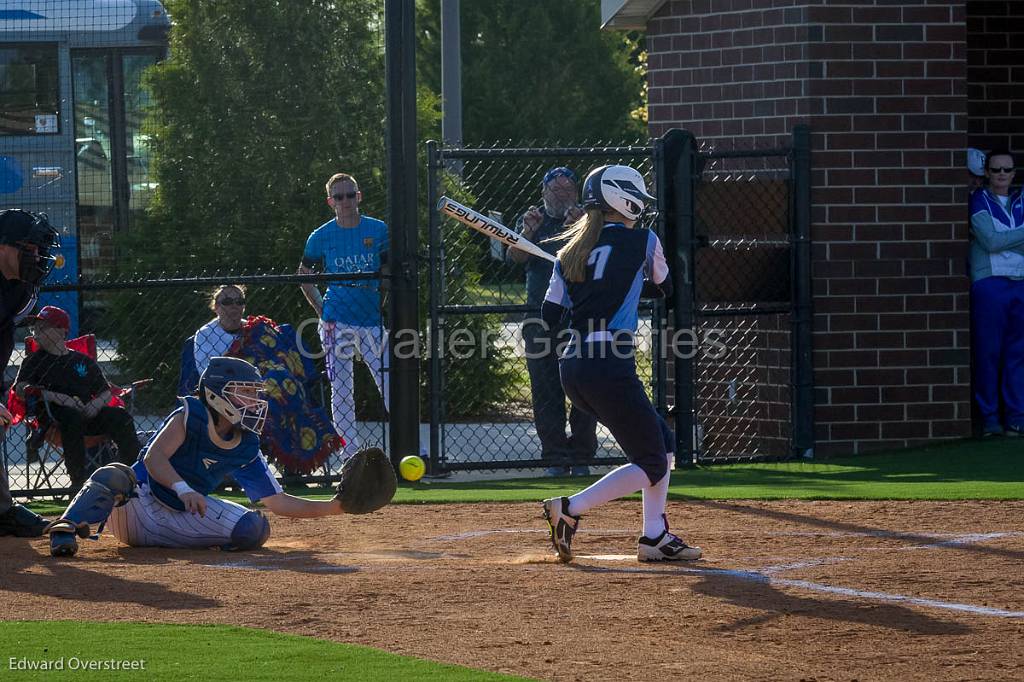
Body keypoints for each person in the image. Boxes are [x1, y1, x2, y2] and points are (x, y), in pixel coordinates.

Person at [539, 164, 701, 563]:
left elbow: (549, 317)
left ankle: (654, 536)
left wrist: (581, 278)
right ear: (620, 199)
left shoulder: (567, 253)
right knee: (651, 459)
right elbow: (666, 289)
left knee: (661, 446)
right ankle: (570, 509)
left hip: (573, 367)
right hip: (608, 362)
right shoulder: (644, 240)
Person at [46, 357, 351, 557]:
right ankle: (66, 529)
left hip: (184, 517)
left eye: (256, 394)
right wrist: (184, 488)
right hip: (140, 506)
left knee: (253, 529)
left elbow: (279, 501)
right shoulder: (190, 415)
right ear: (217, 395)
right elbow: (154, 459)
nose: (255, 402)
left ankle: (176, 545)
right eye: (245, 393)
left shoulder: (246, 445)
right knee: (114, 473)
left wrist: (336, 508)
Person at [510, 167, 598, 477]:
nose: (562, 194)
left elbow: (593, 259)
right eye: (555, 189)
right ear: (544, 191)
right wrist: (527, 233)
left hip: (578, 315)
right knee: (546, 387)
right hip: (539, 316)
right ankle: (555, 456)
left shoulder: (588, 221)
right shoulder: (533, 220)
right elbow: (515, 257)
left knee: (583, 386)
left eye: (568, 189)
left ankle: (583, 454)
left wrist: (580, 228)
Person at [298, 173, 389, 457]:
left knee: (390, 380)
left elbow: (387, 273)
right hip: (336, 319)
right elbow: (304, 276)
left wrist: (382, 302)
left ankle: (409, 448)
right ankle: (349, 455)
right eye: (339, 197)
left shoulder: (378, 230)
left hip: (372, 320)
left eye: (350, 195)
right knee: (342, 389)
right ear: (330, 201)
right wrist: (322, 310)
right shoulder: (320, 236)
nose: (346, 201)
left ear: (359, 196)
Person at [12, 305, 142, 492]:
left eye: (42, 328)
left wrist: (96, 405)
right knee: (70, 416)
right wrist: (56, 397)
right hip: (54, 419)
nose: (36, 333)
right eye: (34, 329)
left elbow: (105, 391)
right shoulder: (34, 360)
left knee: (121, 417)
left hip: (87, 414)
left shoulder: (81, 361)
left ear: (62, 331)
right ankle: (78, 483)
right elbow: (20, 389)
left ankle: (132, 476)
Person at [0, 208, 60, 537]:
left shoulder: (19, 288)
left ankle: (2, 512)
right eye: (29, 248)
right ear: (2, 247)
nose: (36, 257)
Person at [968, 149, 1024, 437]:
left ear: (1014, 173)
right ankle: (990, 418)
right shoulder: (979, 200)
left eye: (1007, 169)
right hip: (989, 285)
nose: (1002, 174)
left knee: (1018, 354)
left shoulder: (1021, 199)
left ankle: (1017, 418)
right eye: (996, 169)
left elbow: (1000, 239)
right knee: (988, 352)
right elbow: (990, 241)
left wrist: (1006, 240)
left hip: (1021, 282)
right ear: (987, 173)